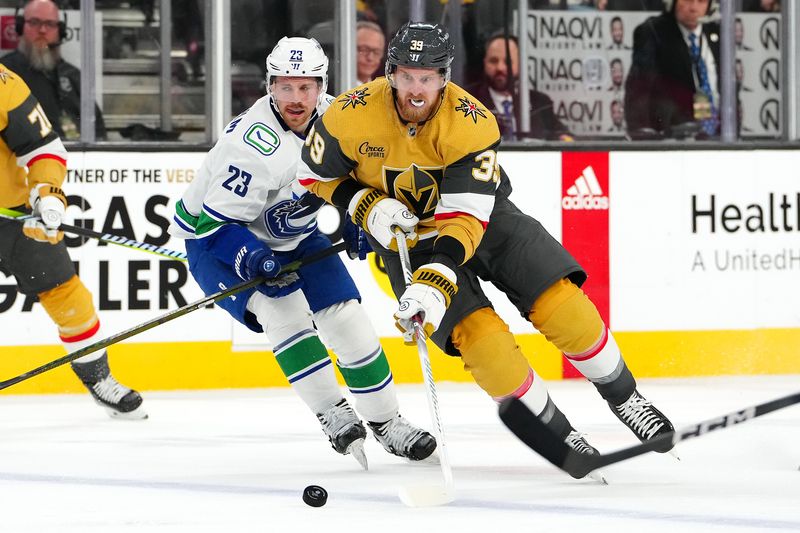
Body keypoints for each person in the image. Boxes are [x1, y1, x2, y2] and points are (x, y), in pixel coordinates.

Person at [298, 22, 676, 477]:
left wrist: (434, 286)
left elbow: (465, 221)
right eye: (408, 76)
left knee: (562, 305)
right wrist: (362, 202)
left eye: (429, 77)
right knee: (483, 343)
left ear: (445, 77)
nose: (417, 90)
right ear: (391, 73)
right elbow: (312, 175)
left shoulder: (472, 122)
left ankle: (625, 397)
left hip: (486, 220)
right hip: (408, 243)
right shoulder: (347, 114)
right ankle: (560, 434)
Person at [168, 37, 435, 468]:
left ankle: (388, 423)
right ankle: (333, 412)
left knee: (347, 318)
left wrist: (355, 216)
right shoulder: (252, 148)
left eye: (306, 87)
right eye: (286, 87)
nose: (296, 98)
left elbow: (351, 177)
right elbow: (212, 226)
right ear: (270, 86)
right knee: (285, 313)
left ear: (322, 86)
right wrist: (251, 258)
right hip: (217, 244)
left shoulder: (339, 119)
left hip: (296, 237)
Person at [0, 65, 145, 419]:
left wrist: (47, 195)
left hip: (12, 212)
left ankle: (99, 378)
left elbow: (42, 146)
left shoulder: (3, 84)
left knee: (66, 292)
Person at [0, 0, 106, 140]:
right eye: (34, 22)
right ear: (20, 27)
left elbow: (98, 130)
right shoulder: (5, 73)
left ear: (60, 31)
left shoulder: (73, 75)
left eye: (50, 24)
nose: (43, 30)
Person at [624, 0, 720, 138]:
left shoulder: (719, 33)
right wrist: (641, 135)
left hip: (719, 136)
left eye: (701, 1)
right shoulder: (654, 32)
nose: (693, 8)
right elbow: (639, 88)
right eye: (687, 0)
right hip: (674, 136)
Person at [466, 33, 572, 141]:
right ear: (484, 62)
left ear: (520, 64)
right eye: (493, 61)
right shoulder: (468, 99)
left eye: (508, 62)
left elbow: (563, 137)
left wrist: (563, 139)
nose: (500, 68)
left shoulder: (540, 103)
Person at [356, 21, 385, 85]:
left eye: (376, 52)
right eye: (364, 50)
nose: (370, 58)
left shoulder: (383, 92)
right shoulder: (332, 89)